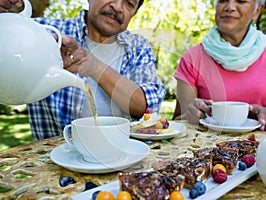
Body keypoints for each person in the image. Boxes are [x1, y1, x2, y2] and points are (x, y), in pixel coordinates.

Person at [1, 0, 166, 140]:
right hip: (53, 168)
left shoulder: (138, 47)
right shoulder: (43, 31)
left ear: (133, 14)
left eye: (129, 3)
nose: (117, 6)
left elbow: (146, 106)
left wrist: (93, 65)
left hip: (121, 164)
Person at [173, 0, 266, 130]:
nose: (230, 7)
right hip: (207, 147)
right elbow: (177, 121)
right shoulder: (193, 58)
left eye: (241, 1)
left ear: (257, 11)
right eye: (222, 0)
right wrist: (191, 114)